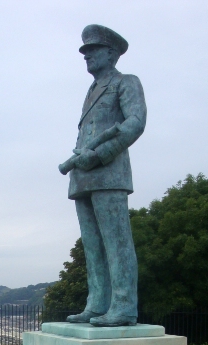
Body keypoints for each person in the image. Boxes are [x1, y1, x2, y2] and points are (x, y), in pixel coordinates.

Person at [61, 24, 147, 327]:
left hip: (108, 172)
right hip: (82, 176)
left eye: (93, 50)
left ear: (111, 53)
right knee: (92, 245)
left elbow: (135, 123)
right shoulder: (92, 90)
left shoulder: (126, 82)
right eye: (85, 51)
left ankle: (123, 306)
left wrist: (99, 154)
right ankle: (97, 303)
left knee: (116, 241)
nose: (86, 56)